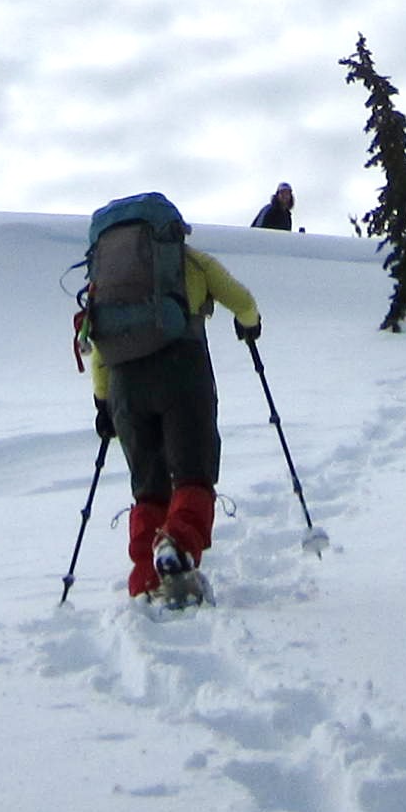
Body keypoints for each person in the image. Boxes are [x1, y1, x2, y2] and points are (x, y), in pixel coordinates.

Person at [73, 194, 263, 602]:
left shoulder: (104, 284)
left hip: (124, 386)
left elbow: (99, 346)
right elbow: (243, 302)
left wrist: (103, 403)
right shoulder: (193, 263)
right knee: (194, 473)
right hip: (182, 373)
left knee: (149, 488)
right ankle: (176, 543)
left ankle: (146, 580)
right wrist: (250, 325)